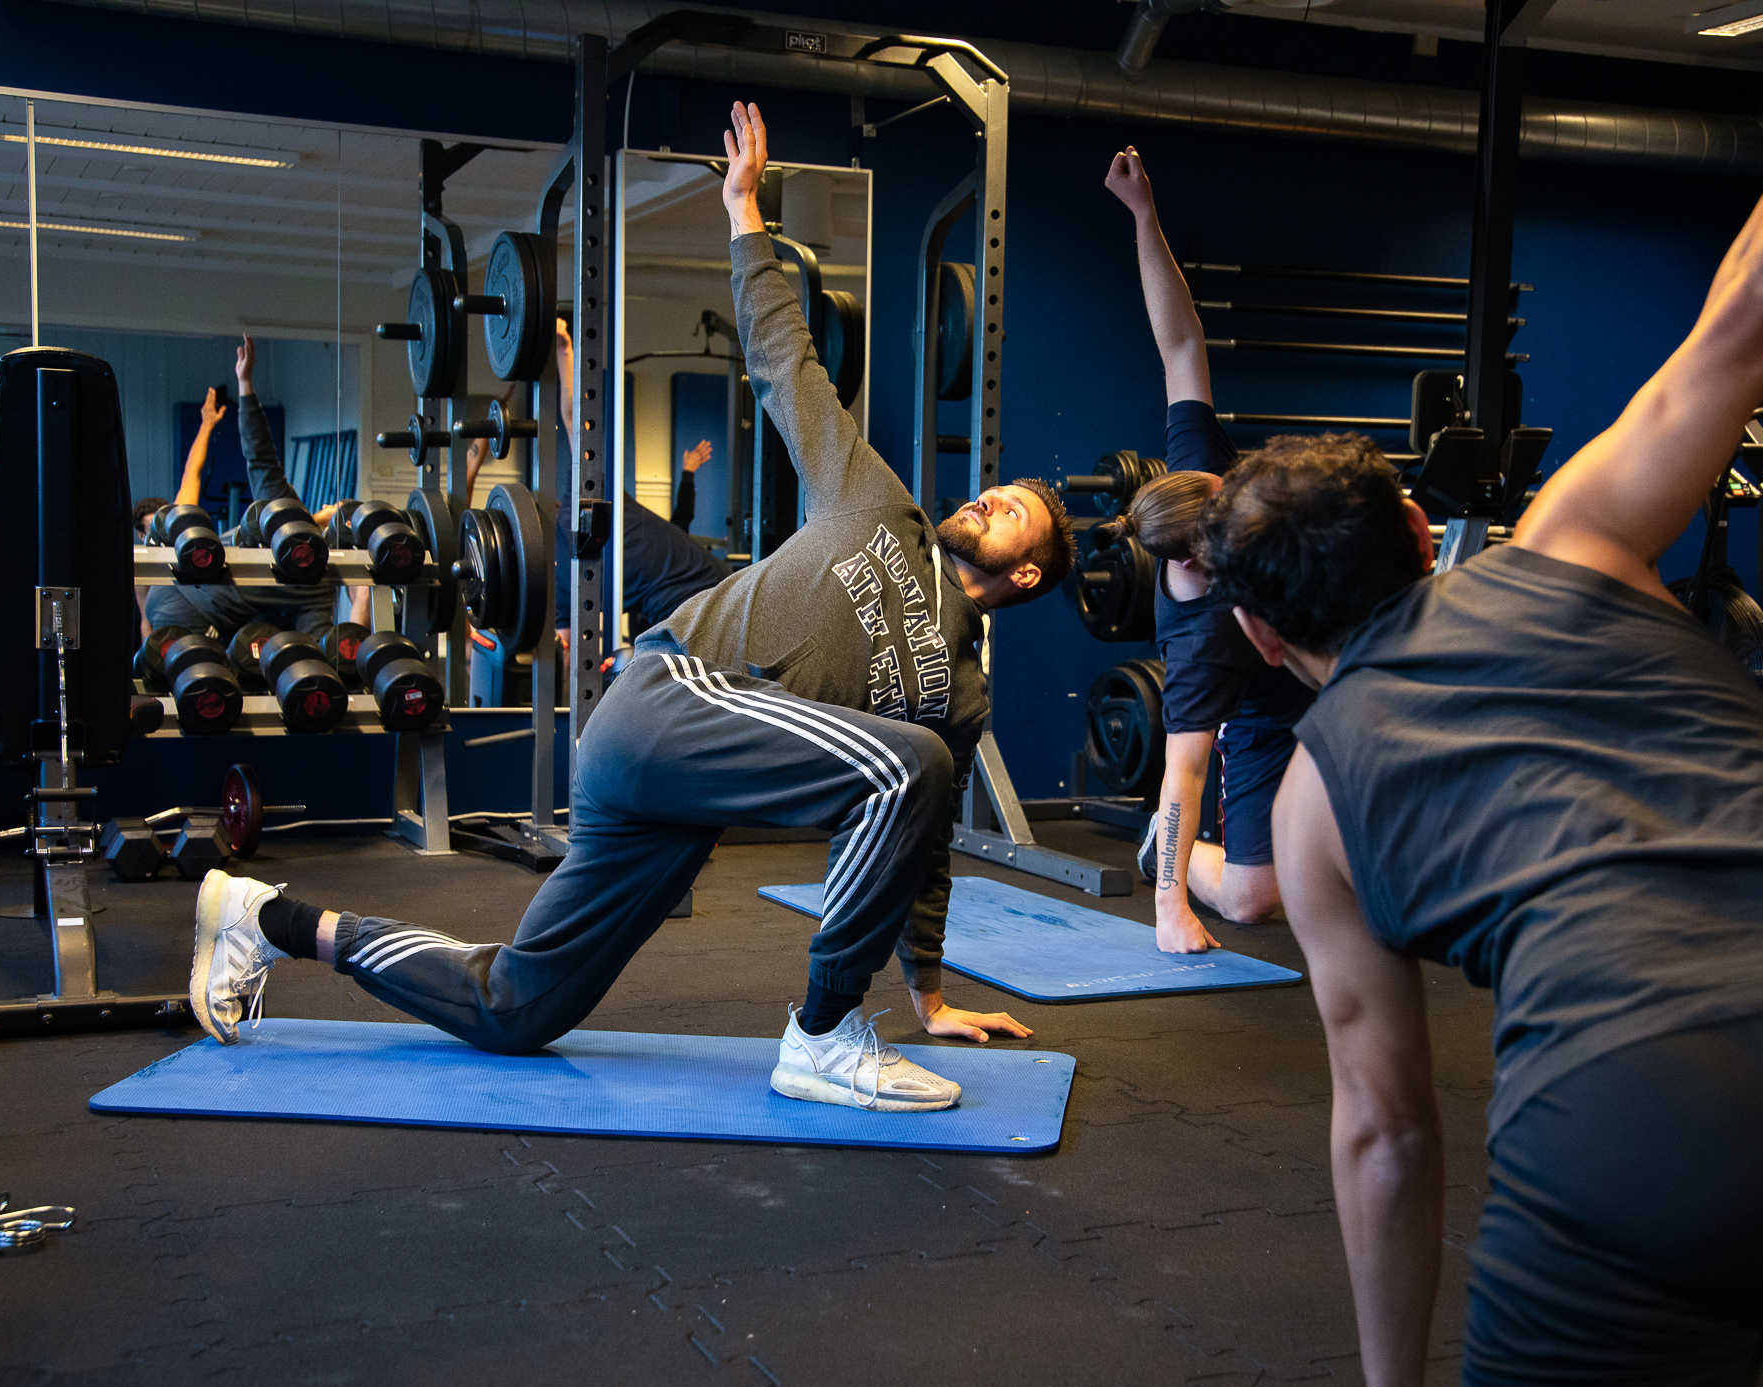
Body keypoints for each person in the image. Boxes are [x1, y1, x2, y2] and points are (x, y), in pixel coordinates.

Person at [1198, 2, 1763, 1387]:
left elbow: (1386, 1132)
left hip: (1638, 1115)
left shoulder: (1312, 811)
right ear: (1428, 539)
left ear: (1257, 632)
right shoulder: (1579, 532)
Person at [187, 100, 1076, 1114]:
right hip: (673, 697)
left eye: (1018, 517)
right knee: (903, 761)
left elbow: (923, 856)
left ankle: (268, 919)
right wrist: (744, 213)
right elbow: (789, 366)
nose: (992, 499)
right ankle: (823, 1037)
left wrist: (932, 997)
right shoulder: (877, 501)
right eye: (999, 491)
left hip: (670, 796)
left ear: (1029, 575)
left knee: (517, 1007)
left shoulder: (957, 696)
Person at [1101, 146, 1317, 953]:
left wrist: (1143, 217)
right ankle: (1177, 860)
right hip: (1263, 714)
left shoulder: (1202, 480)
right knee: (1256, 900)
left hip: (1330, 672)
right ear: (1192, 563)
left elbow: (1180, 346)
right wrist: (1167, 911)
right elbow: (1182, 775)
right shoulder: (1198, 647)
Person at [540, 319, 731, 655]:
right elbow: (574, 419)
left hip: (712, 602)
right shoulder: (580, 503)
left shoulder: (584, 499)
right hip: (702, 607)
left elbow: (570, 654)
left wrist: (563, 351)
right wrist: (562, 349)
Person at [143, 338, 335, 640]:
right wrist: (244, 384)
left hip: (175, 595)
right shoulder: (316, 579)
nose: (333, 508)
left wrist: (245, 383)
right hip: (189, 607)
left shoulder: (282, 514)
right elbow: (318, 646)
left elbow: (260, 456)